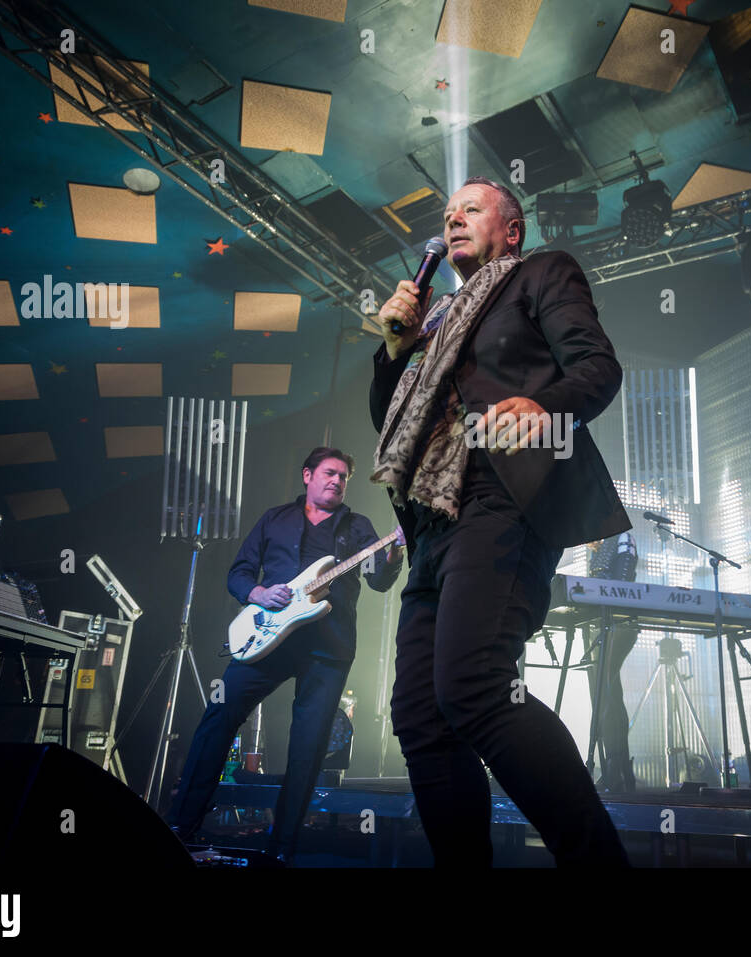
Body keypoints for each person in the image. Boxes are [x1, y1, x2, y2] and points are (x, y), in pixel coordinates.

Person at [369, 175, 632, 866]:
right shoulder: (436, 322)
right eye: (447, 213)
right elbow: (393, 426)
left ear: (511, 230)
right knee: (421, 718)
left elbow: (598, 365)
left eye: (471, 210)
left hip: (501, 496)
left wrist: (548, 407)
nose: (452, 220)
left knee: (475, 684)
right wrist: (395, 350)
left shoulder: (541, 274)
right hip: (431, 522)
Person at [167, 446, 403, 863]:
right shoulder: (275, 519)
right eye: (330, 473)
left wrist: (394, 551)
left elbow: (381, 581)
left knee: (308, 746)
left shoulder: (358, 528)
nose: (337, 481)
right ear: (307, 475)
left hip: (328, 647)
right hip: (266, 636)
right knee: (217, 717)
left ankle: (282, 850)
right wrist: (258, 592)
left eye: (344, 476)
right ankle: (180, 827)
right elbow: (239, 572)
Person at [585, 531, 639, 793]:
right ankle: (619, 770)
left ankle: (615, 768)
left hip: (620, 623)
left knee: (605, 692)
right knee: (610, 693)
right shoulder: (597, 546)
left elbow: (622, 583)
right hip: (600, 624)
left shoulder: (621, 538)